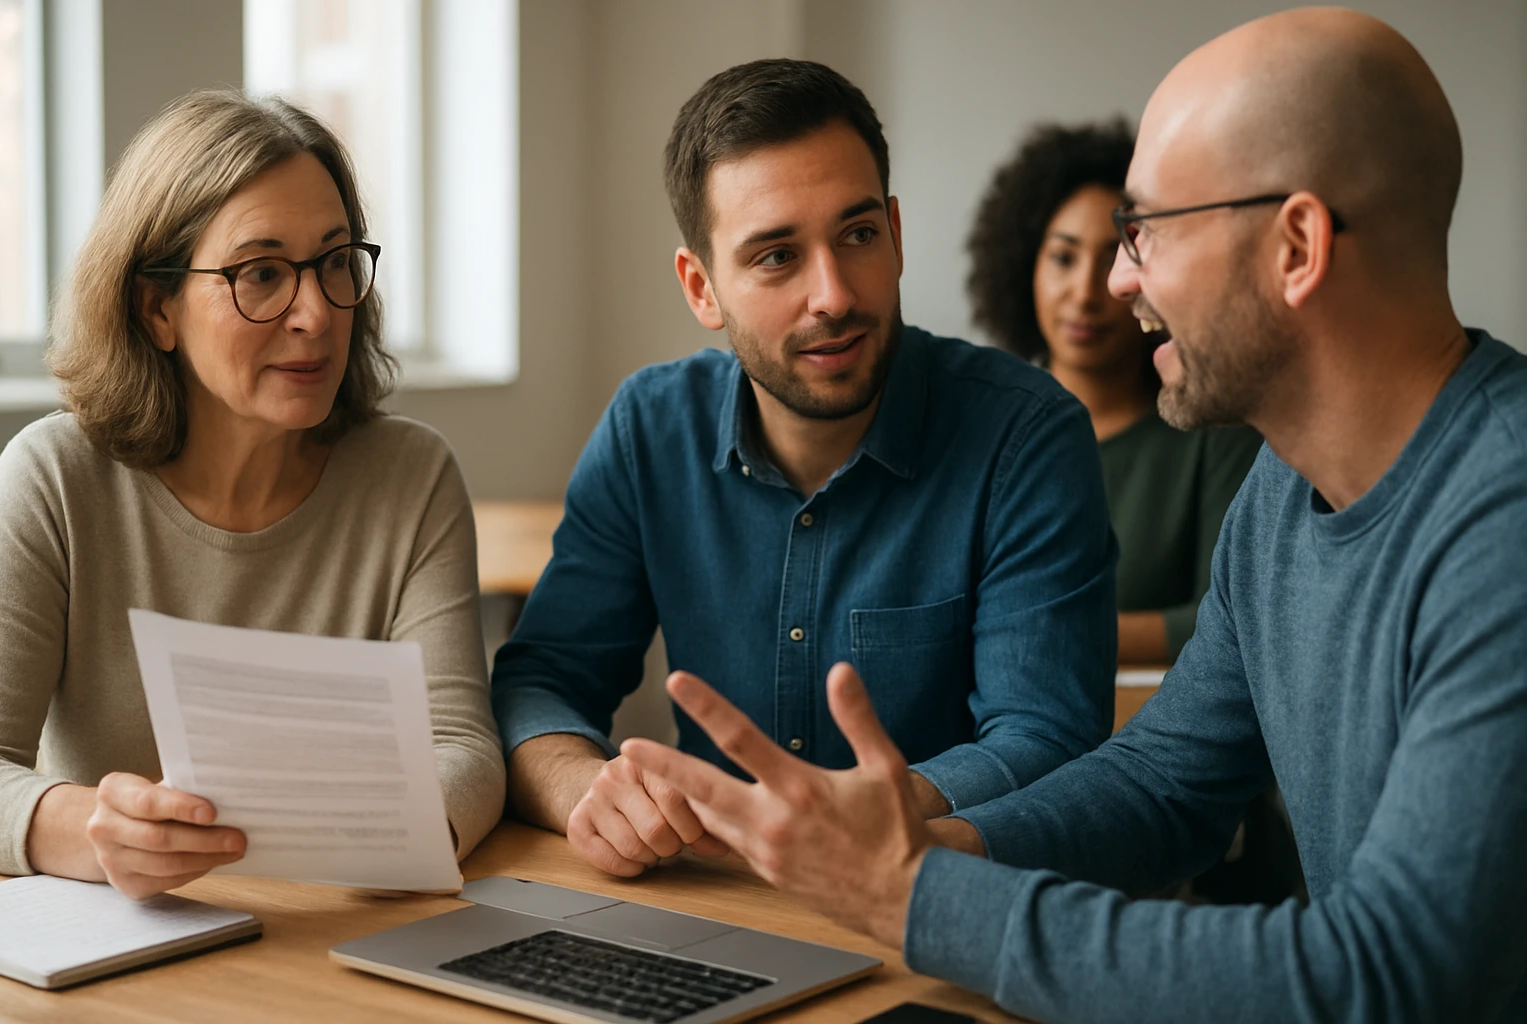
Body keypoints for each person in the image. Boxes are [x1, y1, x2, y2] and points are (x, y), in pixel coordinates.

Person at [621, 9, 1527, 1021]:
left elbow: (1390, 974)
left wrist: (909, 893)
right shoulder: (1282, 488)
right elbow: (1163, 782)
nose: (1118, 277)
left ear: (1297, 245)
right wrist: (908, 846)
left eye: (1149, 229)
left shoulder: (1505, 520)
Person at [493, 59, 1117, 878]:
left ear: (895, 234)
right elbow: (542, 679)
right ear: (702, 287)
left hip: (932, 901)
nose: (832, 294)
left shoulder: (1025, 436)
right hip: (709, 900)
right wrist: (585, 789)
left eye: (858, 235)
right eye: (776, 256)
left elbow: (1049, 737)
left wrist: (885, 805)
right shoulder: (651, 427)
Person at [0, 91, 506, 899]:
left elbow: (462, 748)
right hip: (122, 945)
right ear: (156, 308)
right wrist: (93, 831)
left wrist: (396, 838)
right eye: (261, 274)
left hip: (338, 933)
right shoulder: (53, 478)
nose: (315, 313)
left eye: (336, 262)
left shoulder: (412, 476)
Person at [967, 121, 1262, 666]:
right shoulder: (975, 426)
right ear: (1020, 267)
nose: (1085, 292)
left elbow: (1230, 618)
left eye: (1113, 255)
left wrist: (1037, 628)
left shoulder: (1214, 428)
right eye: (1062, 257)